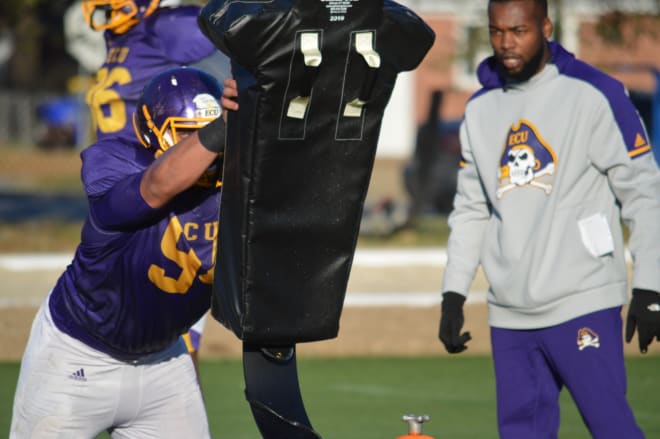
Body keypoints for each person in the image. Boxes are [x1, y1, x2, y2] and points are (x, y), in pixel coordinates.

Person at [437, 1, 660, 438]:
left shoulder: (595, 93)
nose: (506, 43)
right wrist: (453, 293)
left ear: (545, 27)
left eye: (518, 31)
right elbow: (471, 208)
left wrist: (650, 285)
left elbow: (643, 193)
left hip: (583, 300)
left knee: (612, 427)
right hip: (510, 314)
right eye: (497, 31)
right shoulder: (480, 110)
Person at [10, 67, 226, 438]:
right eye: (186, 135)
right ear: (151, 134)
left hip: (163, 362)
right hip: (75, 357)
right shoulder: (115, 163)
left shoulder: (234, 181)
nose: (204, 152)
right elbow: (158, 186)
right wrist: (222, 128)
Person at [80, 0, 231, 370]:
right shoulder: (136, 35)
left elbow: (235, 27)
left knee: (166, 319)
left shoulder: (154, 29)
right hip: (136, 180)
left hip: (152, 178)